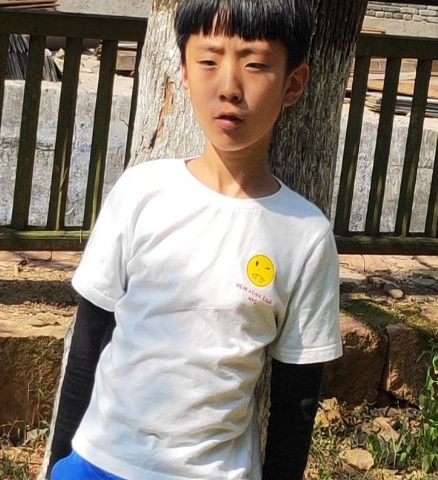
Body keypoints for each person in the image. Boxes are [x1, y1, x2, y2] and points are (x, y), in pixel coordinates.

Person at [47, 0, 343, 479]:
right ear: (184, 72)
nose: (229, 87)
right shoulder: (141, 193)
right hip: (97, 464)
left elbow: (297, 400)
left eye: (255, 64)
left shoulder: (304, 235)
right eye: (208, 60)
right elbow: (88, 342)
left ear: (293, 83)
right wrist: (57, 463)